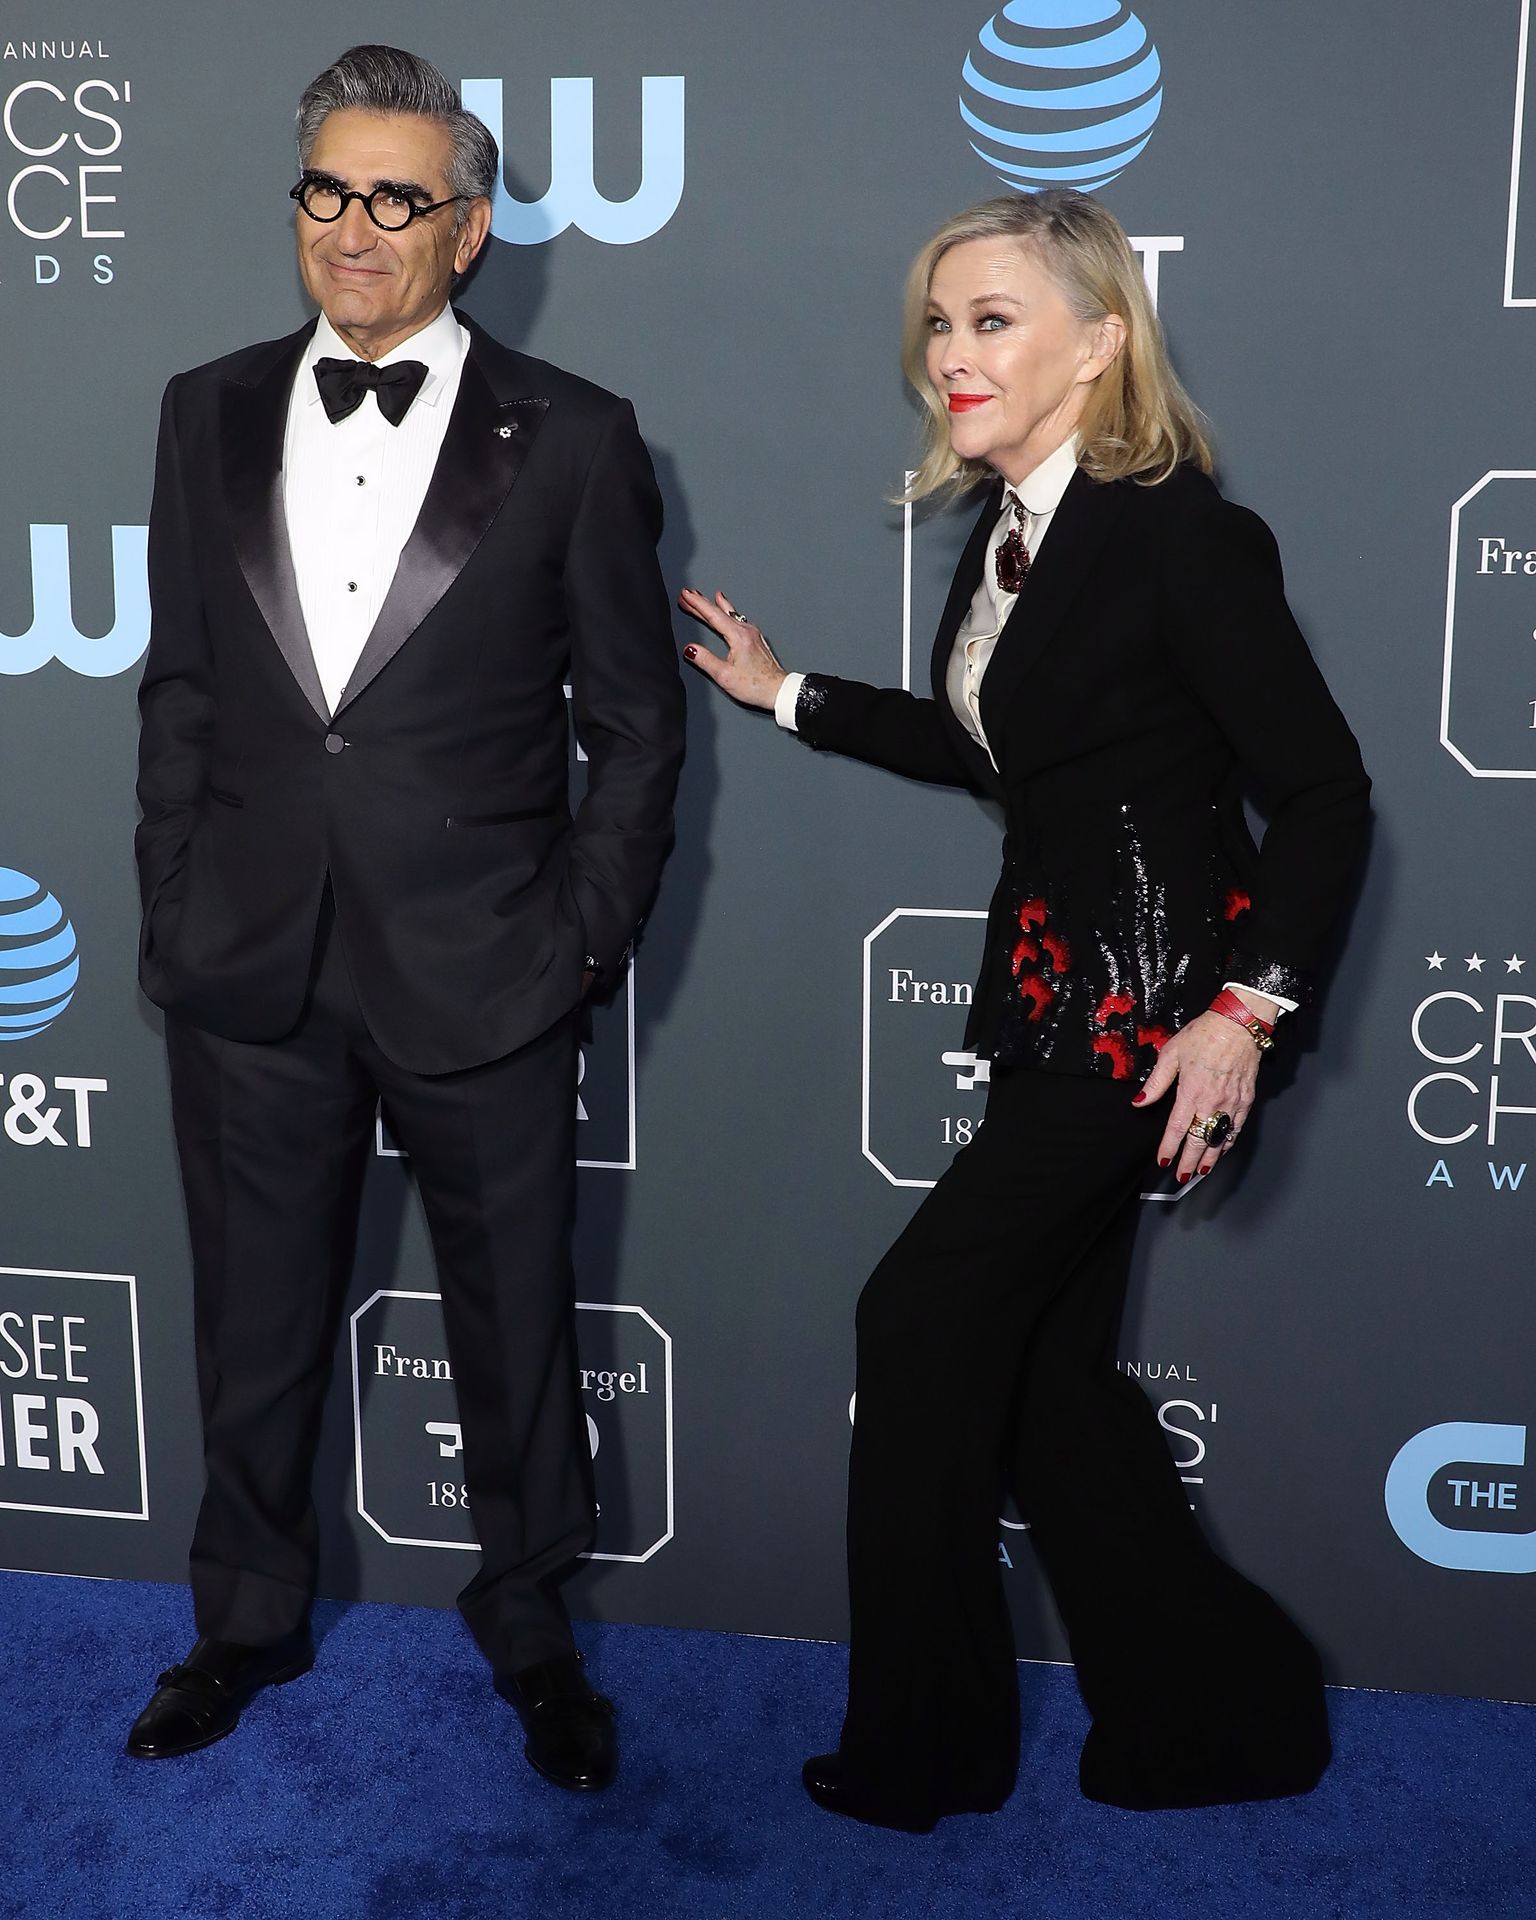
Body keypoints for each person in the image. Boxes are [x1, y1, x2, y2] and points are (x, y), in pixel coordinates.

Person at [680, 189, 1370, 1833]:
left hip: (1142, 1029)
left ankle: (931, 1751)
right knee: (1052, 1384)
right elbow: (1000, 749)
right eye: (940, 321)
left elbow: (1326, 793)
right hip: (1053, 1014)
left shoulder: (1187, 537)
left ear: (1101, 344)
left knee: (918, 1327)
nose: (951, 354)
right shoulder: (1010, 531)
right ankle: (1225, 1714)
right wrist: (788, 693)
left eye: (994, 321)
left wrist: (1246, 1014)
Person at [127, 45, 685, 1790]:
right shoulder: (202, 406)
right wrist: (175, 893)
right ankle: (241, 1619)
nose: (353, 230)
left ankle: (533, 1638)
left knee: (515, 1327)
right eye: (326, 192)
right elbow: (187, 696)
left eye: (396, 198)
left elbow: (638, 726)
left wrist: (575, 938)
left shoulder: (579, 435)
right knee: (253, 1319)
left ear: (471, 225)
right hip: (250, 960)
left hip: (486, 965)